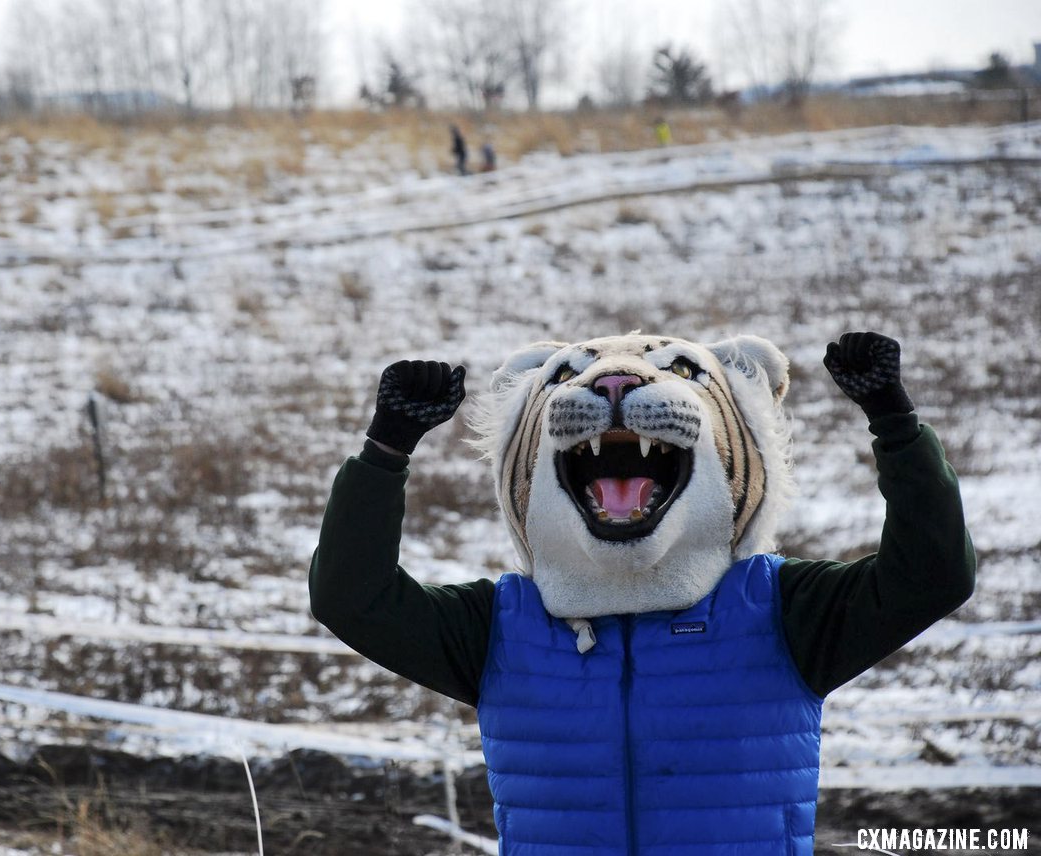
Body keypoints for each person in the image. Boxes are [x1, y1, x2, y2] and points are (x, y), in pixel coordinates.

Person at [310, 332, 974, 854]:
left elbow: (932, 574)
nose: (618, 383)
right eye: (568, 379)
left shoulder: (781, 612)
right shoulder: (502, 628)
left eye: (681, 373)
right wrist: (385, 451)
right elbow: (351, 597)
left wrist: (895, 423)